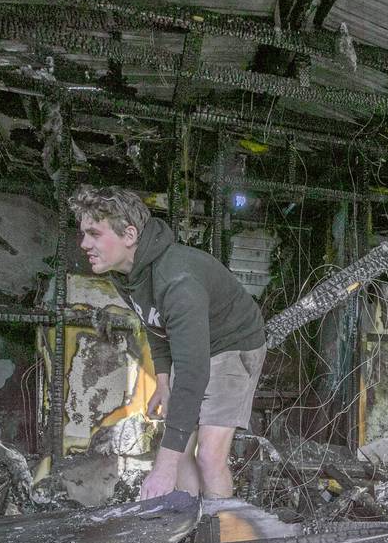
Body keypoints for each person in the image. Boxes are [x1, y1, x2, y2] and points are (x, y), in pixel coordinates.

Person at [70, 185, 266, 500]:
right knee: (182, 453)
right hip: (192, 347)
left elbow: (193, 374)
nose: (84, 244)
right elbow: (153, 322)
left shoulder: (178, 283)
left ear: (129, 235)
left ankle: (225, 539)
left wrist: (162, 467)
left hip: (233, 345)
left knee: (208, 457)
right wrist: (162, 381)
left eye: (93, 234)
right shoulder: (128, 273)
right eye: (83, 234)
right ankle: (187, 530)